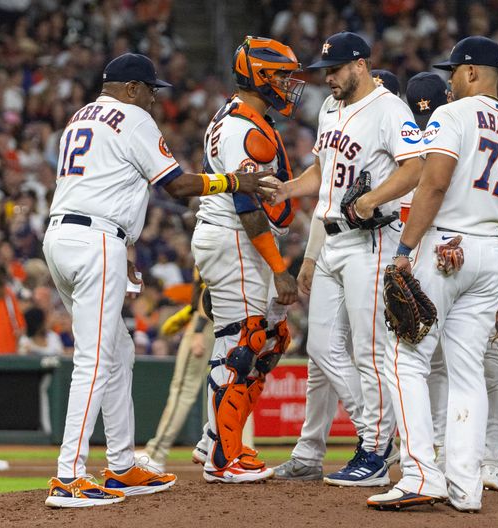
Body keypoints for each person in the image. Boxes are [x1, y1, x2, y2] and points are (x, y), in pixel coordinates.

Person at [42, 52, 275, 507]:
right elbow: (177, 185)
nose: (153, 98)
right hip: (96, 242)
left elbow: (99, 182)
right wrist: (234, 182)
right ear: (130, 88)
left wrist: (124, 246)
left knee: (120, 351)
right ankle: (68, 475)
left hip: (63, 237)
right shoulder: (132, 117)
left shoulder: (79, 117)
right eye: (149, 89)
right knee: (95, 359)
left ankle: (123, 464)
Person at [367, 36, 498, 512]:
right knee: (467, 374)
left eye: (453, 73)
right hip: (491, 253)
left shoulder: (451, 115)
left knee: (403, 357)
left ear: (469, 73)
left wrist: (404, 249)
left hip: (446, 244)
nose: (449, 81)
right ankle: (466, 487)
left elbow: (435, 180)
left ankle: (421, 473)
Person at [271, 31, 423, 487]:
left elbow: (415, 167)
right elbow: (322, 170)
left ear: (360, 64)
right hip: (334, 237)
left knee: (371, 350)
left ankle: (374, 450)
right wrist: (287, 188)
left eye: (335, 70)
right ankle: (376, 436)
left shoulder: (391, 109)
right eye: (325, 71)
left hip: (371, 241)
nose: (328, 78)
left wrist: (373, 199)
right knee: (319, 347)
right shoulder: (330, 108)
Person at [191, 36, 303, 483]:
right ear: (258, 74)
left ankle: (213, 438)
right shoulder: (242, 127)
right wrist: (280, 268)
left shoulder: (240, 117)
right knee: (243, 341)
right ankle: (224, 457)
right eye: (279, 75)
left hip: (236, 240)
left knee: (273, 340)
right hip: (236, 237)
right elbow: (246, 205)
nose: (287, 85)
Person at [135, 269, 214, 471]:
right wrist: (188, 313)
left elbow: (209, 289)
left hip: (207, 323)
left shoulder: (210, 238)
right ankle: (214, 448)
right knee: (223, 387)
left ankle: (156, 453)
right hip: (228, 322)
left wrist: (197, 330)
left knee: (183, 389)